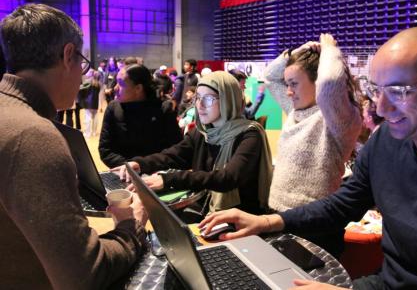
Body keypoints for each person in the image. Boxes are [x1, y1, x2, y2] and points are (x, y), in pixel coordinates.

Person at [199, 27, 417, 289]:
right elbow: (343, 204)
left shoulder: (336, 119)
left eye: (399, 91)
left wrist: (329, 50)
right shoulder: (384, 143)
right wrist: (266, 222)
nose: (381, 108)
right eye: (377, 90)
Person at [0, 4, 147, 289]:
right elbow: (82, 276)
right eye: (82, 63)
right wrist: (132, 228)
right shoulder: (33, 136)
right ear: (68, 56)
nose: (82, 76)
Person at [118, 71, 273, 215]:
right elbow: (174, 155)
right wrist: (140, 164)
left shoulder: (249, 135)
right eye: (198, 97)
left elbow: (227, 178)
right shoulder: (203, 131)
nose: (200, 105)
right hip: (206, 209)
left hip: (241, 216)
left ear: (227, 100)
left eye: (208, 99)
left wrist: (168, 179)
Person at [263, 33, 362, 256]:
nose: (288, 91)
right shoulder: (296, 111)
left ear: (316, 82)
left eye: (294, 84)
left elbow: (329, 86)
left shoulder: (338, 119)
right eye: (287, 84)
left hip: (315, 224)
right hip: (278, 215)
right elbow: (269, 77)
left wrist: (329, 49)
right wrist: (297, 52)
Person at [99, 64, 182, 168]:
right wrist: (128, 167)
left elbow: (176, 149)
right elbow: (105, 150)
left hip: (156, 175)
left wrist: (143, 165)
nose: (115, 88)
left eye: (120, 84)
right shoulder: (113, 108)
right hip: (123, 173)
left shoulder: (162, 109)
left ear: (138, 88)